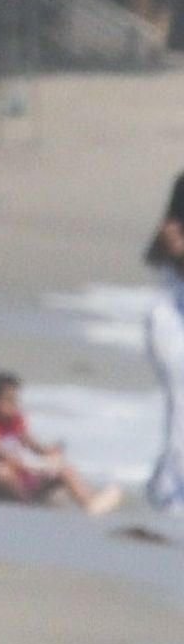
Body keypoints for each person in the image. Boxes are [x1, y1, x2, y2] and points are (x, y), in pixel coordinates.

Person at [0, 371, 122, 515]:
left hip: (24, 479)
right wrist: (39, 466)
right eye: (8, 400)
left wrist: (49, 452)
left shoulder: (16, 421)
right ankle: (25, 504)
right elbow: (5, 457)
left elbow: (34, 446)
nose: (14, 405)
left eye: (15, 400)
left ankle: (89, 502)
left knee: (64, 469)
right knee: (0, 472)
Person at [144, 173, 184, 512]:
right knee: (181, 399)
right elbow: (161, 249)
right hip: (173, 310)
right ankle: (172, 490)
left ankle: (164, 482)